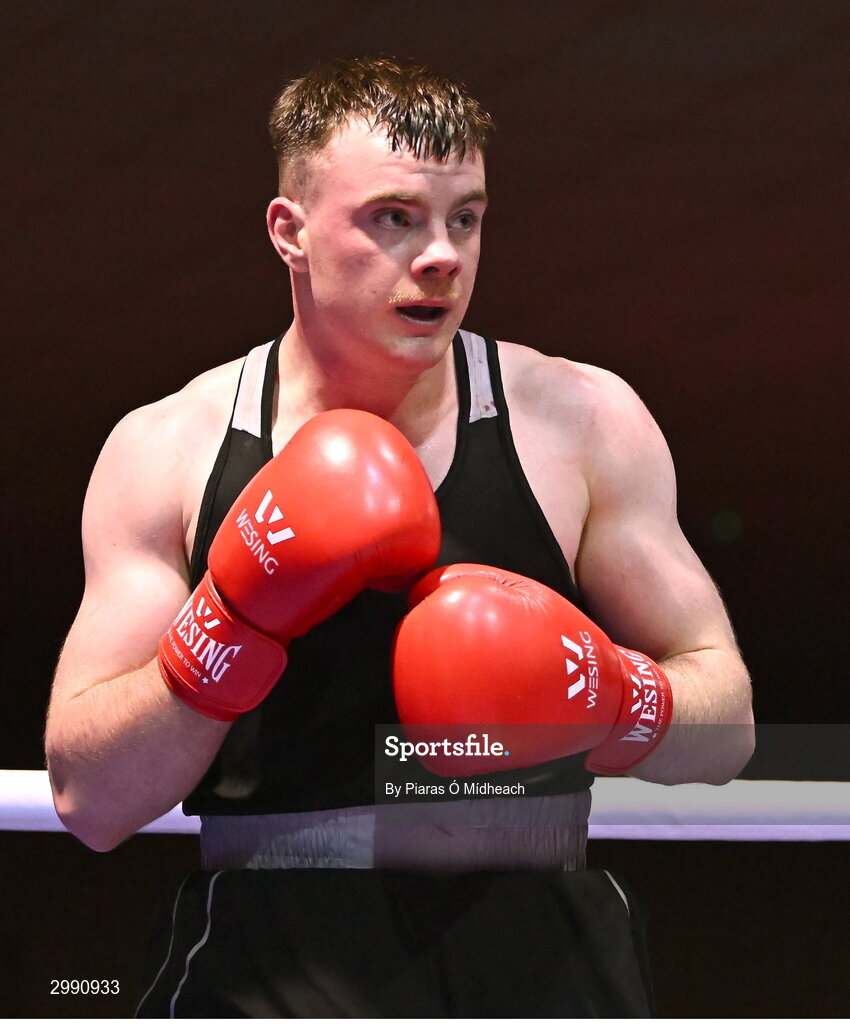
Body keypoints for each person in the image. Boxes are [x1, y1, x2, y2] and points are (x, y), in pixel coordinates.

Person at [45, 56, 754, 1017]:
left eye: (466, 217)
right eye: (395, 218)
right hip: (272, 957)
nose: (442, 256)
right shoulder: (170, 449)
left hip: (541, 949)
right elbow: (92, 801)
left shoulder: (581, 420)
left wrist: (612, 695)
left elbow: (728, 728)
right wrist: (227, 624)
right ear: (288, 232)